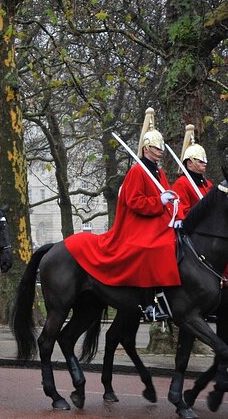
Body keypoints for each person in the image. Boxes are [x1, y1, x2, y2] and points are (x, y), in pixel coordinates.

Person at [64, 108, 181, 322]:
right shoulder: (137, 171)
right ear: (146, 148)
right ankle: (149, 304)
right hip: (138, 224)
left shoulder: (158, 171)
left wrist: (172, 206)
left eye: (161, 147)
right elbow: (134, 202)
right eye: (157, 148)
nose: (161, 151)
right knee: (151, 248)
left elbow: (165, 195)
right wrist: (159, 201)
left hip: (157, 221)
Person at [172, 124, 212, 210]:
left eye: (205, 161)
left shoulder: (208, 184)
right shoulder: (181, 184)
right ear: (190, 163)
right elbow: (183, 212)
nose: (205, 164)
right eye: (201, 161)